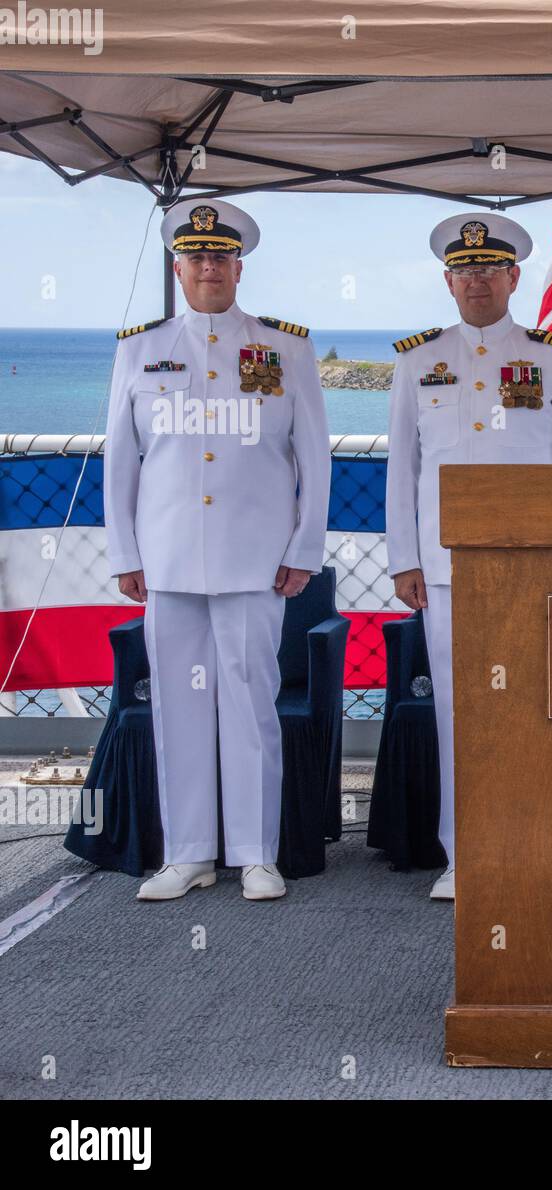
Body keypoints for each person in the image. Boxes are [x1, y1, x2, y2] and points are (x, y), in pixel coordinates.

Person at [105, 198, 331, 902]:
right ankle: (189, 853)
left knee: (249, 699)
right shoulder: (139, 349)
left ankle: (257, 853)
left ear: (239, 265)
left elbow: (315, 456)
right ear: (178, 267)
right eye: (196, 256)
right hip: (168, 556)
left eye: (220, 255)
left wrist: (306, 546)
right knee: (177, 704)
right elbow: (122, 457)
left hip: (255, 557)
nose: (208, 265)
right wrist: (124, 552)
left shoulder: (284, 348)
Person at [385, 213, 552, 900]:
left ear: (513, 277)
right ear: (449, 281)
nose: (476, 280)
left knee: (537, 709)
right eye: (464, 270)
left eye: (489, 268)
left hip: (534, 568)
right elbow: (404, 470)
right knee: (459, 709)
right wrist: (405, 560)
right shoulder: (418, 361)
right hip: (447, 570)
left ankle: (535, 845)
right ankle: (465, 853)